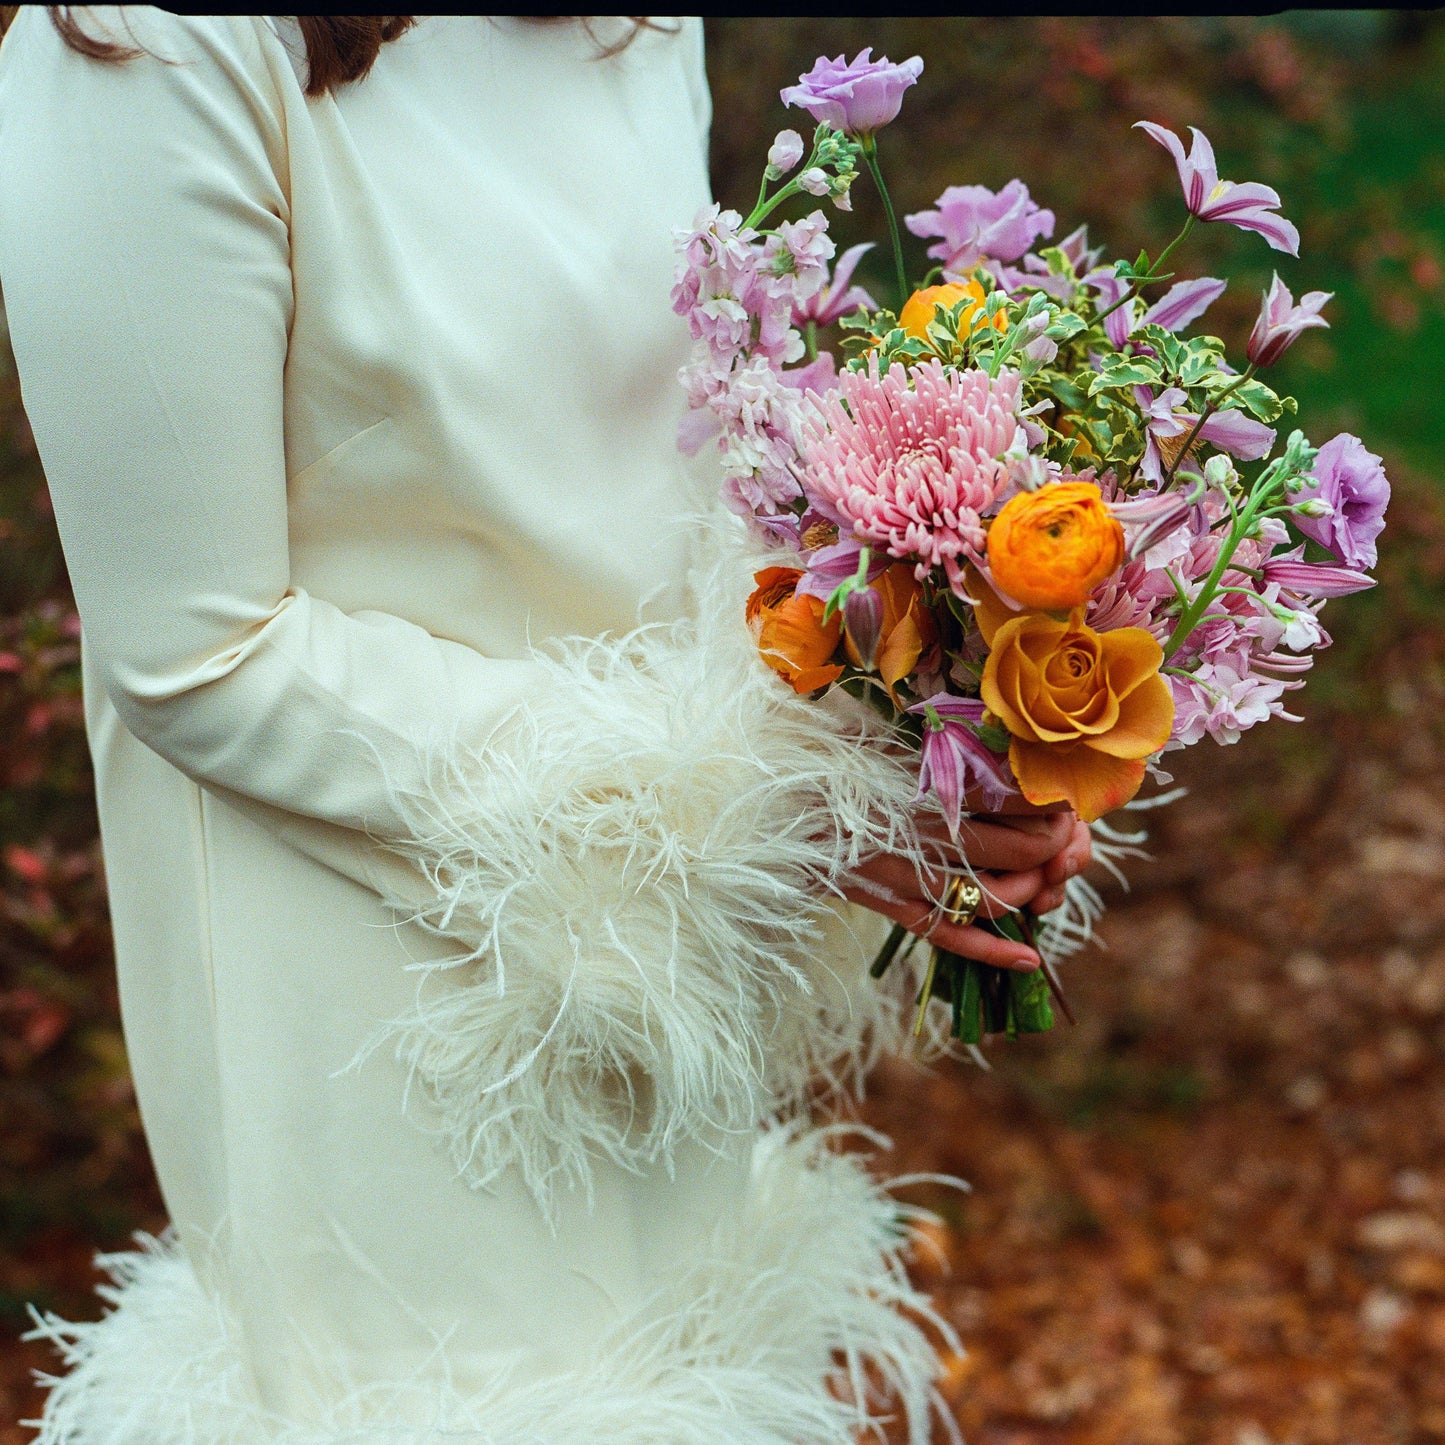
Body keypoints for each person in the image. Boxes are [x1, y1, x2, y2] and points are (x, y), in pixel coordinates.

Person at [0, 12, 1089, 1442]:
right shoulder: (149, 48)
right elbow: (199, 655)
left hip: (668, 988)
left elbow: (651, 489)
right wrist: (752, 816)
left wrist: (917, 738)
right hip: (373, 998)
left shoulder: (621, 23)